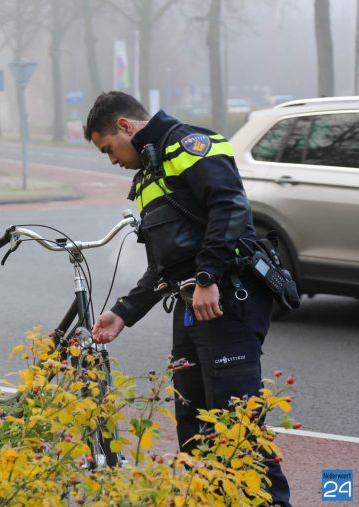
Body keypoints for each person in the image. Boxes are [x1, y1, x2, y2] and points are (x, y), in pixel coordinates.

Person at [85, 91, 290, 506]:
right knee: (194, 430)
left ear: (126, 126)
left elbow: (230, 206)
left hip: (227, 298)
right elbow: (163, 264)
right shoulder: (145, 179)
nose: (111, 160)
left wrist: (207, 275)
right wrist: (124, 313)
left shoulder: (192, 144)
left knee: (237, 431)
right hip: (192, 305)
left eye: (108, 149)